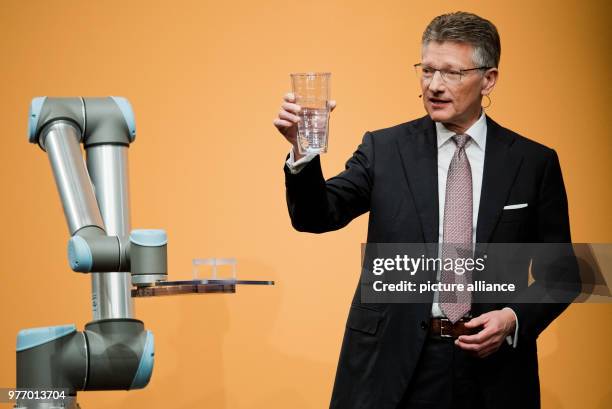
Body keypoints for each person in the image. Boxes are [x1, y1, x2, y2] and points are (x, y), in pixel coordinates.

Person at [273, 12, 579, 409]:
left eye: (451, 73)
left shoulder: (533, 161)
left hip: (494, 368)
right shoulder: (384, 149)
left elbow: (565, 271)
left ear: (488, 79)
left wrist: (512, 319)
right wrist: (303, 152)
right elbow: (316, 216)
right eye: (427, 70)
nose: (434, 85)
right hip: (391, 360)